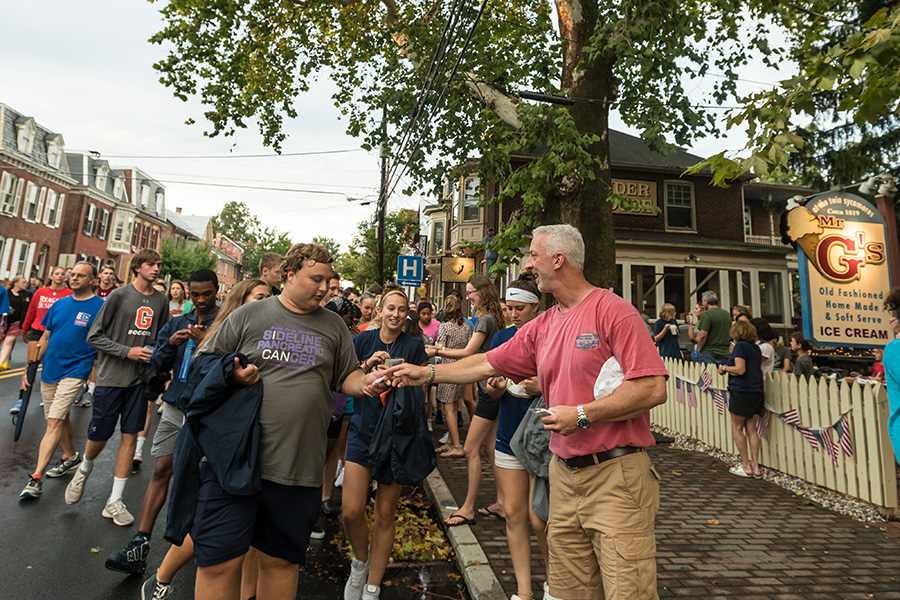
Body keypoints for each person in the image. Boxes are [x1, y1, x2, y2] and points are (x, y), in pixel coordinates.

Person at [387, 224, 668, 600]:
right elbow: (487, 362)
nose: (528, 263)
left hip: (616, 476)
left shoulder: (613, 312)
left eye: (534, 255)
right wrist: (427, 372)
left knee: (627, 591)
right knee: (569, 591)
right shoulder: (545, 324)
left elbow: (652, 387)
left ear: (558, 259)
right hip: (563, 475)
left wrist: (582, 414)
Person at [185, 243, 387, 600]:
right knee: (218, 562)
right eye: (316, 279)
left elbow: (347, 377)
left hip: (297, 469)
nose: (325, 288)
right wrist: (231, 374)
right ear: (290, 276)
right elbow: (203, 365)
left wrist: (368, 383)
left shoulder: (334, 326)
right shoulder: (250, 315)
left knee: (280, 563)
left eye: (329, 280)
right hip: (236, 464)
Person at [135, 278, 271, 600]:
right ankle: (160, 577)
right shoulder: (221, 334)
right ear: (241, 302)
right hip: (215, 442)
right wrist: (228, 374)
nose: (268, 305)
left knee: (250, 535)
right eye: (260, 298)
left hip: (258, 445)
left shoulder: (270, 335)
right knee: (207, 522)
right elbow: (194, 381)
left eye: (270, 298)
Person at [104, 269, 220, 575]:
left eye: (206, 293)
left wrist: (208, 340)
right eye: (194, 294)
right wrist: (170, 342)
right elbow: (156, 362)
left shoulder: (225, 322)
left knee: (197, 477)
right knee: (161, 468)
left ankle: (195, 550)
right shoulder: (179, 322)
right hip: (175, 405)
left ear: (217, 291)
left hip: (206, 411)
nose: (200, 300)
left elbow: (228, 364)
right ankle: (139, 546)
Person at [64, 249, 171, 527]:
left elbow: (162, 337)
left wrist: (159, 359)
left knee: (130, 435)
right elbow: (94, 336)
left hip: (140, 381)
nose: (156, 268)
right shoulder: (118, 296)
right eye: (151, 264)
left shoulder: (161, 300)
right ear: (137, 267)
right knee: (99, 436)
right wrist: (127, 352)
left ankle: (115, 500)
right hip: (112, 378)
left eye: (159, 264)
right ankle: (84, 468)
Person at [342, 289, 430, 600]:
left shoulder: (414, 346)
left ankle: (372, 585)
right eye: (390, 308)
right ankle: (360, 561)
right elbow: (347, 379)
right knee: (351, 511)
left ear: (408, 313)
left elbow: (422, 389)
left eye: (401, 309)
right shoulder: (362, 340)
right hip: (363, 431)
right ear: (379, 309)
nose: (395, 314)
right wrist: (368, 367)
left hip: (396, 436)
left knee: (384, 513)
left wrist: (401, 380)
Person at [484, 277, 550, 600]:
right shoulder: (501, 337)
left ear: (536, 306)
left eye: (519, 308)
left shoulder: (552, 335)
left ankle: (554, 583)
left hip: (544, 441)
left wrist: (543, 386)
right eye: (509, 308)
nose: (513, 314)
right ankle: (524, 593)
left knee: (541, 519)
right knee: (514, 514)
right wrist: (493, 388)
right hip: (509, 436)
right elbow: (489, 383)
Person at [19, 263, 104, 499]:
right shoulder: (59, 304)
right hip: (51, 370)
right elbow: (46, 336)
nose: (74, 279)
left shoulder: (100, 307)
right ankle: (70, 456)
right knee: (58, 416)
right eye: (72, 275)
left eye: (80, 276)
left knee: (54, 421)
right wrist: (31, 367)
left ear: (92, 280)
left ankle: (36, 479)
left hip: (76, 370)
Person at [428, 274, 505, 525]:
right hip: (492, 386)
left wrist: (436, 351)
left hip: (488, 389)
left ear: (482, 292)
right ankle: (503, 502)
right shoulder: (495, 317)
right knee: (490, 449)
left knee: (470, 448)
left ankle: (468, 507)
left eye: (471, 292)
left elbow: (468, 352)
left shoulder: (485, 319)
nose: (468, 298)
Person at [13, 267, 73, 413]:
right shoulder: (41, 292)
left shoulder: (69, 294)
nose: (59, 276)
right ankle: (22, 398)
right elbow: (31, 311)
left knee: (50, 363)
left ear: (65, 277)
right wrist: (25, 329)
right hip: (38, 331)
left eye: (62, 274)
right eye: (57, 274)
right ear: (51, 276)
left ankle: (45, 395)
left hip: (56, 333)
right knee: (31, 363)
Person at [717, 320, 764, 478]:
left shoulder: (740, 347)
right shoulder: (756, 348)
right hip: (756, 391)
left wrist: (724, 368)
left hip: (741, 391)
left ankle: (745, 465)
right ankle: (756, 467)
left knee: (737, 427)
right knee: (752, 429)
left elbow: (740, 369)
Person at [433, 295, 470, 457]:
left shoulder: (445, 327)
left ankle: (456, 444)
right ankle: (449, 442)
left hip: (448, 368)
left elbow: (440, 348)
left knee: (448, 408)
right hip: (461, 367)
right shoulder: (466, 327)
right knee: (455, 406)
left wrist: (433, 348)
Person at [1, 275, 31, 371]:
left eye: (26, 282)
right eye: (23, 282)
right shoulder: (7, 293)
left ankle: (1, 362)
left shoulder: (27, 295)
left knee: (8, 341)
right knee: (3, 340)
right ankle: (6, 360)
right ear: (16, 283)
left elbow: (28, 309)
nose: (25, 284)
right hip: (5, 320)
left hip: (18, 321)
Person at [692, 290, 731, 364]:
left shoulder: (707, 314)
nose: (703, 303)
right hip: (725, 351)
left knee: (707, 374)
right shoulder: (726, 314)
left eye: (703, 301)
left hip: (710, 351)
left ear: (706, 301)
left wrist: (699, 348)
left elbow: (703, 334)